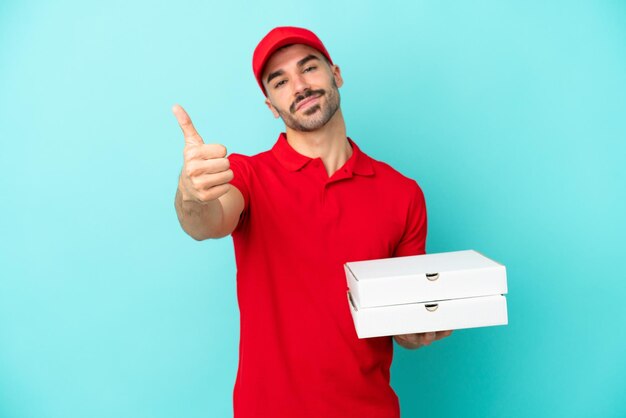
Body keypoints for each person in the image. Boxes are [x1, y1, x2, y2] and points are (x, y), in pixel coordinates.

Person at [173, 26, 452, 418]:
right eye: (280, 81)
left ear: (336, 74)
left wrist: (417, 328)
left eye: (309, 68)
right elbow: (206, 222)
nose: (300, 86)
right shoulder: (247, 175)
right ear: (271, 106)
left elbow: (401, 321)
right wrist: (191, 192)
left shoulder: (402, 193)